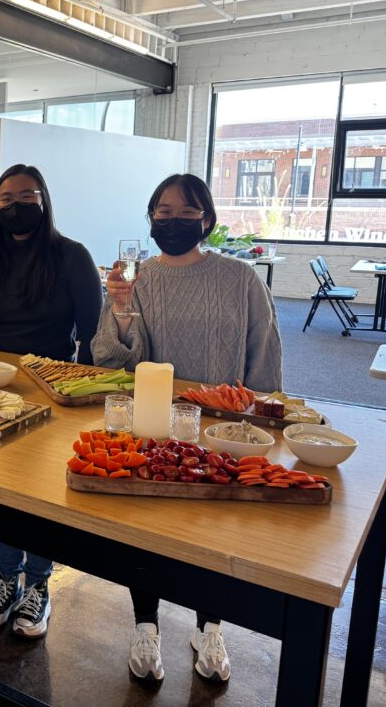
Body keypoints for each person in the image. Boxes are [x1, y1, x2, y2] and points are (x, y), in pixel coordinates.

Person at [91, 172, 282, 683]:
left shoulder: (241, 279)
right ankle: (145, 625)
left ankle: (210, 626)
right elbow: (113, 358)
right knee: (146, 533)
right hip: (153, 425)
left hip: (220, 432)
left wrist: (261, 424)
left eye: (187, 212)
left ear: (208, 219)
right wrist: (121, 307)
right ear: (150, 218)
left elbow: (264, 363)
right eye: (163, 212)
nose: (173, 221)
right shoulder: (137, 278)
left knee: (214, 535)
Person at [0, 163, 102, 638]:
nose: (15, 206)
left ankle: (38, 586)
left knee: (40, 495)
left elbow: (91, 337)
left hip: (53, 390)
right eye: (6, 199)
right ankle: (6, 578)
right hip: (0, 390)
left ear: (44, 200)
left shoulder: (72, 256)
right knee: (6, 492)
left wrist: (83, 398)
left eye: (26, 196)